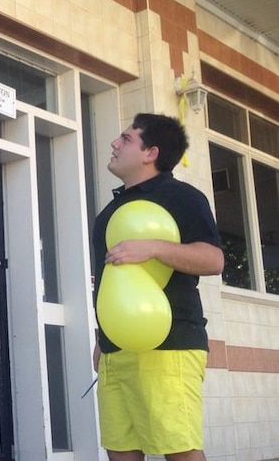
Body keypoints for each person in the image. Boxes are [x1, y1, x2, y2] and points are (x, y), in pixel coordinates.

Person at [92, 113, 224, 461]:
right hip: (115, 349)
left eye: (125, 138)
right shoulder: (110, 212)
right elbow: (114, 281)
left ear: (150, 152)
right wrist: (102, 337)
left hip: (170, 345)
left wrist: (153, 247)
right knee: (120, 450)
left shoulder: (182, 197)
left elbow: (213, 260)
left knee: (178, 449)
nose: (114, 143)